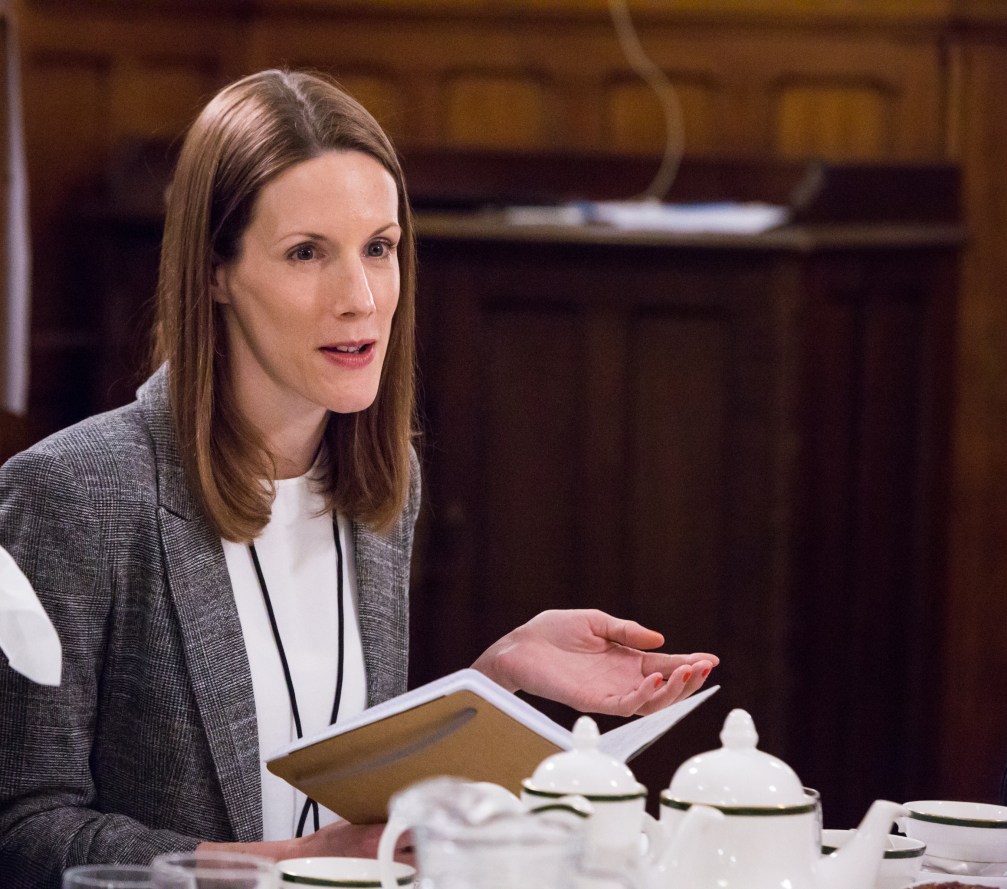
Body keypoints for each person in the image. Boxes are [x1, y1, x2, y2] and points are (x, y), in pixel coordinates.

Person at [0, 69, 718, 886]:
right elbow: (24, 834)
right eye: (307, 253)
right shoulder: (72, 496)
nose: (360, 298)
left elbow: (332, 786)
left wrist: (497, 679)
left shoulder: (384, 483)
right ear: (214, 273)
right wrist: (286, 867)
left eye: (379, 248)